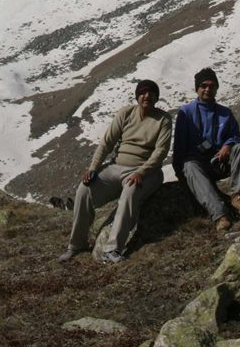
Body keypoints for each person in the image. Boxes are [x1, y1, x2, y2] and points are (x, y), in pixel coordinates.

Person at [58, 79, 172, 264]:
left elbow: (160, 152)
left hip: (146, 172)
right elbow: (107, 142)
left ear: (157, 97)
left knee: (130, 191)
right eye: (143, 92)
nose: (147, 96)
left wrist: (141, 172)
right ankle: (76, 245)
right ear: (137, 96)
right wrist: (93, 168)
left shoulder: (163, 119)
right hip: (116, 167)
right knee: (84, 190)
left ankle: (112, 249)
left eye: (152, 93)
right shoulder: (126, 113)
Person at [173, 67, 240, 232]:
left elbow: (235, 135)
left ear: (217, 88)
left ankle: (238, 197)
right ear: (197, 88)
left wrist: (228, 145)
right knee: (189, 165)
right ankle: (220, 214)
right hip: (198, 165)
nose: (208, 89)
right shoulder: (186, 113)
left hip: (220, 161)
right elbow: (179, 146)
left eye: (212, 86)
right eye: (204, 85)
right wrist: (179, 173)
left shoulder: (225, 113)